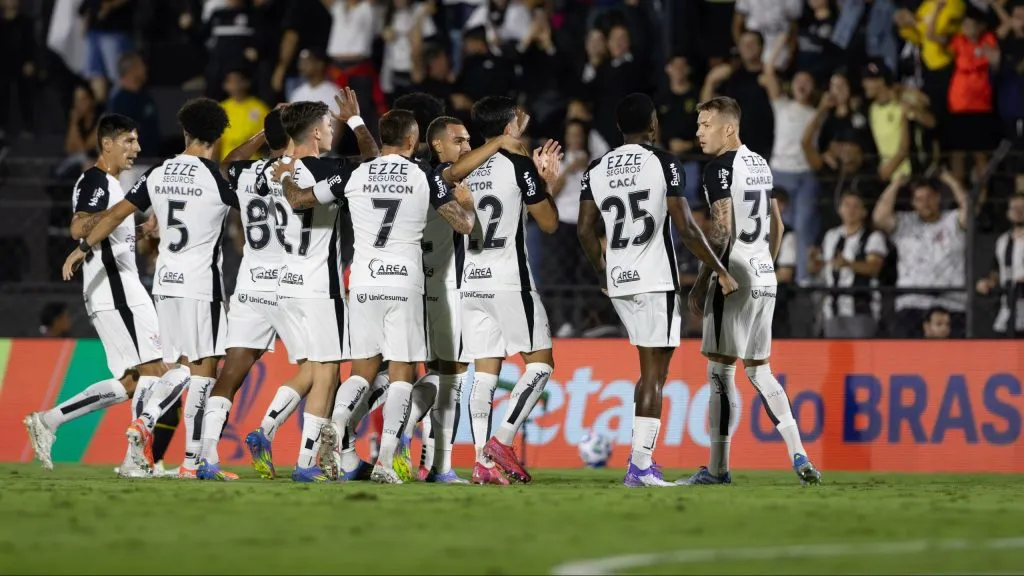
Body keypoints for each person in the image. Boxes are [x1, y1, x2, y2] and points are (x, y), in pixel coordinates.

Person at [61, 99, 235, 479]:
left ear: (186, 132)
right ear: (217, 137)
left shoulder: (156, 174)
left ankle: (171, 452)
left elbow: (115, 215)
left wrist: (83, 248)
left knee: (168, 368)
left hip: (163, 285)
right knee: (200, 371)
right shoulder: (216, 179)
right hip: (201, 286)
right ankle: (180, 450)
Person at [577, 93, 738, 488]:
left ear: (618, 128)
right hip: (654, 280)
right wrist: (719, 269)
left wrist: (602, 271)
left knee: (647, 372)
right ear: (653, 125)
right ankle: (641, 467)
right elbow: (684, 226)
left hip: (619, 282)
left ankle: (640, 460)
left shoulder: (596, 168)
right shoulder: (664, 161)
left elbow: (584, 228)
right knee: (655, 375)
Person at [31, 114, 191, 476]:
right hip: (117, 288)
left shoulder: (112, 185)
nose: (136, 148)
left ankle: (49, 421)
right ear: (107, 144)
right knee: (173, 368)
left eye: (136, 141)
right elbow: (78, 225)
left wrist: (137, 225)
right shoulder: (96, 180)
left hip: (108, 290)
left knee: (133, 382)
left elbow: (109, 223)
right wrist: (114, 221)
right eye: (129, 141)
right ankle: (135, 458)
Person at [683, 96, 821, 486]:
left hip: (735, 276)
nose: (699, 131)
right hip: (764, 274)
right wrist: (766, 263)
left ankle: (717, 469)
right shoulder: (759, 163)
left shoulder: (718, 169)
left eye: (706, 124)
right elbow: (777, 224)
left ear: (729, 128)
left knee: (720, 372)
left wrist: (707, 279)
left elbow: (721, 230)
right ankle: (799, 452)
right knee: (761, 371)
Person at [193, 105, 313, 481]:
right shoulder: (301, 170)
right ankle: (267, 429)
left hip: (249, 283)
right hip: (291, 284)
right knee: (317, 369)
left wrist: (265, 133)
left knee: (231, 375)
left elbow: (226, 163)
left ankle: (207, 458)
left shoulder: (247, 174)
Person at [266, 99, 379, 483]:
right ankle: (305, 464)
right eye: (330, 126)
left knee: (311, 371)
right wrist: (357, 120)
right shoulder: (329, 169)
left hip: (285, 284)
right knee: (328, 374)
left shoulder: (273, 169)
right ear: (316, 133)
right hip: (319, 286)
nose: (334, 132)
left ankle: (272, 435)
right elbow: (373, 161)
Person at [419, 114, 535, 482]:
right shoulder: (444, 181)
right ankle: (438, 464)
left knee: (434, 376)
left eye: (470, 141)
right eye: (460, 141)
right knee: (449, 378)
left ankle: (426, 459)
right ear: (438, 144)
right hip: (450, 287)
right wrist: (502, 142)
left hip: (420, 286)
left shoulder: (421, 176)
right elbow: (467, 225)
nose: (467, 148)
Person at [461, 96, 561, 485]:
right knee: (540, 363)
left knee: (484, 373)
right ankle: (501, 441)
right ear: (508, 128)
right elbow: (549, 223)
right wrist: (546, 183)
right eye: (519, 120)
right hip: (508, 278)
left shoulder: (468, 167)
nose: (524, 123)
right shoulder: (518, 163)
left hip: (471, 280)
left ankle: (481, 463)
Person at [872, 171, 968, 338]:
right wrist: (895, 185)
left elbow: (970, 211)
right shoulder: (904, 223)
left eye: (929, 197)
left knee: (953, 362)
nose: (925, 203)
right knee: (908, 362)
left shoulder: (952, 220)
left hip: (952, 304)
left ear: (938, 198)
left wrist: (951, 181)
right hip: (912, 303)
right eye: (919, 199)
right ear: (913, 203)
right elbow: (880, 217)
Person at [809, 190, 889, 338]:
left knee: (860, 358)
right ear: (839, 209)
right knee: (836, 359)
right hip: (832, 310)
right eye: (847, 205)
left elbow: (874, 268)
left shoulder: (873, 237)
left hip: (862, 309)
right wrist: (812, 261)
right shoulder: (831, 236)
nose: (851, 210)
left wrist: (848, 264)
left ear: (864, 212)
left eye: (856, 206)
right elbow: (819, 269)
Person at [976, 194, 1024, 336]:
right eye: (1014, 208)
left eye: (1022, 207)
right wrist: (990, 282)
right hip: (1007, 308)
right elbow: (996, 269)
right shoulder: (1002, 241)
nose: (1018, 211)